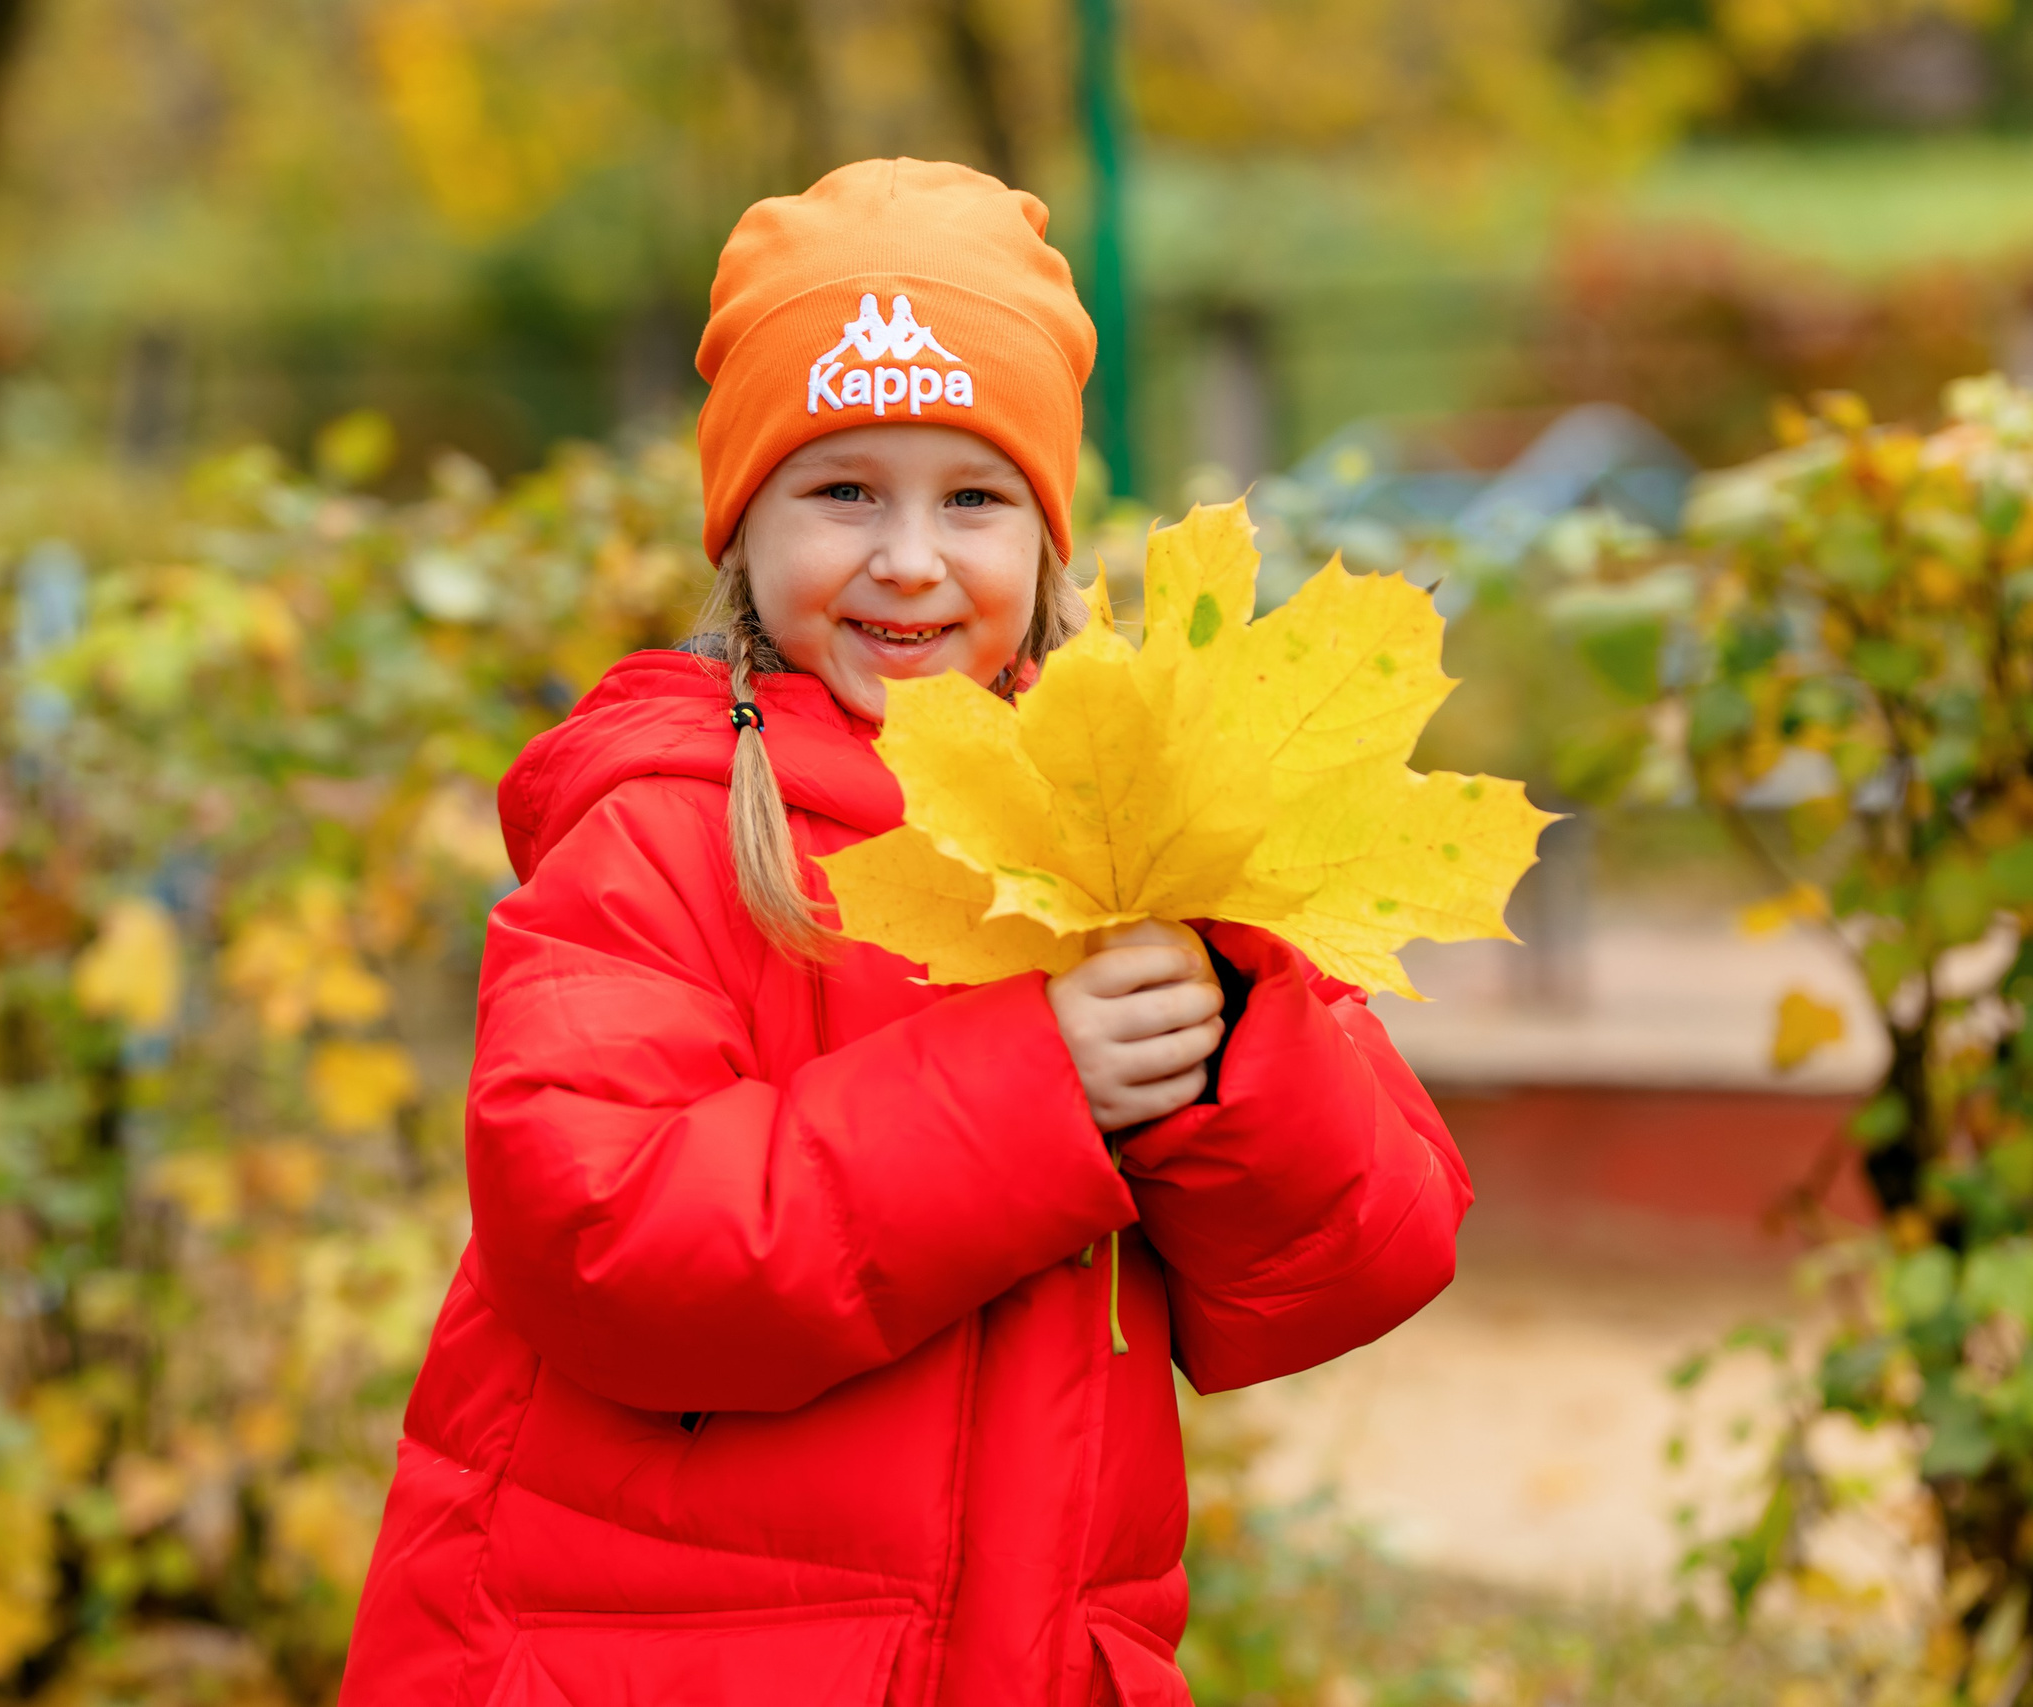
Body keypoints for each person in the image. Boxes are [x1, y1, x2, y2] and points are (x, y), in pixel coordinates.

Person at [341, 158, 1468, 1707]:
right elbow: (602, 1229)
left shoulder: (1122, 819)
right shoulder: (663, 828)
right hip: (647, 1659)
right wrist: (1037, 1088)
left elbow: (1364, 1253)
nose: (913, 559)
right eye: (844, 489)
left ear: (1048, 538)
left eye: (976, 496)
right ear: (745, 527)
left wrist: (1222, 1043)